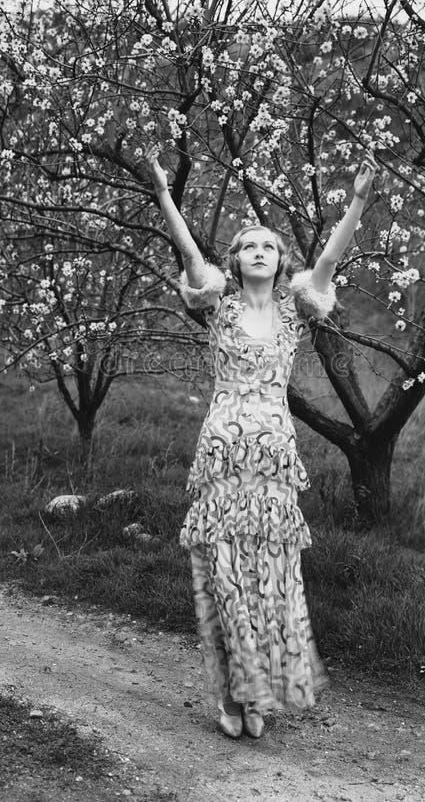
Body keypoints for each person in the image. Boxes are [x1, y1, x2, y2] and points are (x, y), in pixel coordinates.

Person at [146, 147, 376, 739]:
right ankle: (233, 694)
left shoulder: (295, 315)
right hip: (223, 453)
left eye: (269, 246)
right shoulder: (218, 310)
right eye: (249, 245)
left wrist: (355, 202)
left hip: (272, 457)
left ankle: (257, 694)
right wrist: (165, 192)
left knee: (268, 578)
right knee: (226, 575)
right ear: (236, 260)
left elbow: (328, 259)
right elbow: (190, 254)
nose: (258, 252)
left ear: (279, 264)